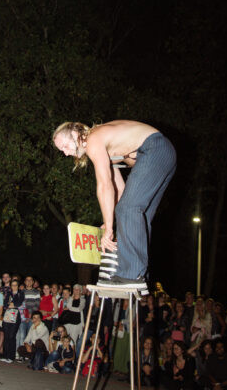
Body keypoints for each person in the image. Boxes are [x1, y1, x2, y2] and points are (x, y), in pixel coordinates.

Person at [53, 120, 176, 291]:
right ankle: (139, 274)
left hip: (154, 150)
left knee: (128, 209)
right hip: (163, 155)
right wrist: (111, 219)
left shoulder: (93, 140)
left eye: (65, 146)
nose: (66, 153)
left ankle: (131, 275)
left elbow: (104, 186)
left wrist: (109, 228)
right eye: (62, 151)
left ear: (75, 135)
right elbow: (119, 188)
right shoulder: (104, 147)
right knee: (138, 215)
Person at [1, 279, 24, 363]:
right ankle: (5, 355)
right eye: (12, 285)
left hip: (16, 316)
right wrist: (10, 304)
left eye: (15, 285)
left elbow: (19, 303)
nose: (14, 287)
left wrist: (12, 304)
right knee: (6, 335)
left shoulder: (20, 293)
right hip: (7, 316)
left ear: (18, 286)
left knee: (11, 336)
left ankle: (11, 357)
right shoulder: (9, 294)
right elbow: (5, 303)